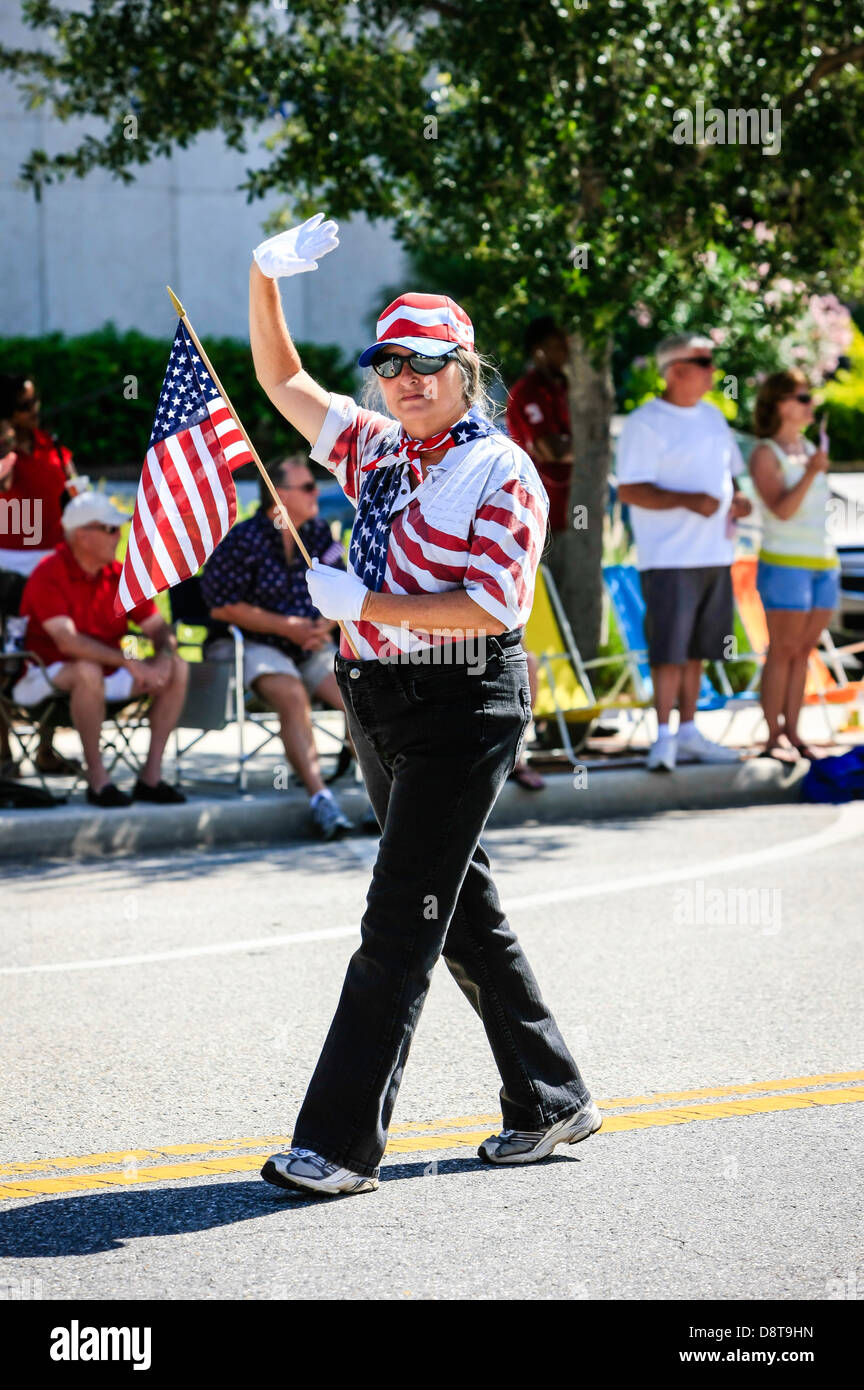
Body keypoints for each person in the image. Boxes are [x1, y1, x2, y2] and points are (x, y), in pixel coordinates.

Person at [249, 215, 600, 1196]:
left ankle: (338, 1145)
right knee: (462, 901)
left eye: (429, 362)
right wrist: (263, 277)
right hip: (378, 695)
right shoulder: (376, 450)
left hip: (463, 699)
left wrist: (367, 606)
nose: (408, 378)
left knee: (401, 915)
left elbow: (493, 604)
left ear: (466, 368)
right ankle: (550, 1095)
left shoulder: (503, 469)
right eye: (391, 361)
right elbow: (282, 385)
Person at [201, 454, 356, 839]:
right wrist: (288, 628)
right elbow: (222, 606)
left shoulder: (321, 534)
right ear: (278, 497)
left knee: (360, 694)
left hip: (307, 646)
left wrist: (324, 624)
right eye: (306, 487)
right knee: (290, 695)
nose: (316, 492)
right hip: (252, 645)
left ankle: (381, 792)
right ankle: (321, 799)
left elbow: (344, 588)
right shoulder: (244, 538)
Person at [616, 332, 752, 771]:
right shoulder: (644, 422)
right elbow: (632, 490)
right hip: (669, 558)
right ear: (676, 370)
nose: (714, 368)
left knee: (697, 649)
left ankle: (689, 732)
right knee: (668, 651)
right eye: (703, 360)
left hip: (716, 554)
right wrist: (690, 499)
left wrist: (741, 498)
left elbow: (734, 476)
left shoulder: (714, 417)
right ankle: (663, 738)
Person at [12, 491, 189, 806]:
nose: (118, 536)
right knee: (87, 671)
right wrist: (128, 661)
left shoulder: (119, 574)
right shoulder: (48, 573)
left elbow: (159, 629)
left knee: (178, 667)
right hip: (42, 675)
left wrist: (163, 658)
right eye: (109, 529)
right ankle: (98, 780)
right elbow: (68, 642)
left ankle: (151, 777)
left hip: (108, 671)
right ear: (82, 535)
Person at [748, 372, 838, 760]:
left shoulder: (808, 448)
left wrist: (814, 467)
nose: (809, 404)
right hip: (784, 564)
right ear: (781, 403)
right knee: (781, 649)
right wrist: (814, 473)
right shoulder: (766, 453)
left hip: (823, 563)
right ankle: (773, 738)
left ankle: (795, 733)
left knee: (803, 651)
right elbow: (781, 510)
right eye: (802, 398)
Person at [0, 375, 83, 775]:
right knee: (5, 656)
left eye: (36, 403)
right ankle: (3, 753)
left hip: (50, 562)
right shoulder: (5, 454)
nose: (35, 411)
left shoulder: (53, 447)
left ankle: (45, 748)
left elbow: (77, 495)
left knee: (54, 650)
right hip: (5, 562)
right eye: (24, 404)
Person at [506, 316, 573, 533]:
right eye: (558, 345)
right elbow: (551, 450)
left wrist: (570, 444)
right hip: (542, 511)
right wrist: (588, 446)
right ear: (539, 351)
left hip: (576, 502)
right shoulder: (527, 392)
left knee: (582, 542)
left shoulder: (565, 387)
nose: (566, 352)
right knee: (554, 564)